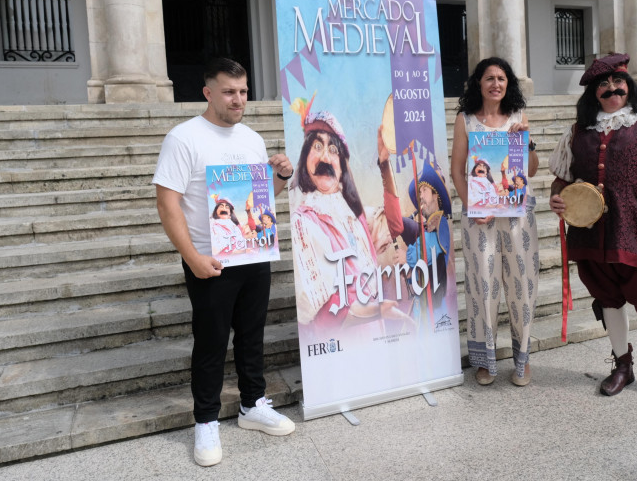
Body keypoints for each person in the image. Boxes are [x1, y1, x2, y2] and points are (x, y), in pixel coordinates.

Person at [152, 58, 295, 468]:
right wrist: (192, 258)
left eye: (244, 91)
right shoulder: (184, 139)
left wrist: (281, 178)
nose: (238, 99)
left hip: (253, 254)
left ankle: (252, 406)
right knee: (211, 343)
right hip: (209, 260)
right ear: (208, 93)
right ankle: (206, 420)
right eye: (229, 91)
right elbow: (167, 204)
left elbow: (259, 204)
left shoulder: (250, 138)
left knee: (252, 336)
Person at [547, 52, 637, 408]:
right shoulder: (578, 132)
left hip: (635, 234)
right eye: (603, 86)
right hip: (589, 237)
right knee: (608, 301)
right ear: (593, 94)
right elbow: (561, 179)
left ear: (630, 86)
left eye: (618, 83)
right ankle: (623, 366)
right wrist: (557, 200)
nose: (612, 90)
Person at [288, 95, 411, 340]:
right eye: (317, 146)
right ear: (305, 158)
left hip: (372, 336)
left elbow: (396, 225)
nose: (325, 158)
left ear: (342, 164)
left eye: (332, 149)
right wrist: (376, 312)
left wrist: (384, 165)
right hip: (340, 347)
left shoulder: (354, 215)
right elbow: (321, 312)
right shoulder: (304, 222)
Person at [451, 56, 540, 387]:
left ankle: (522, 361)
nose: (496, 84)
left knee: (521, 284)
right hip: (481, 219)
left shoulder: (517, 117)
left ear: (508, 84)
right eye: (489, 78)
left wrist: (526, 139)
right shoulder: (465, 120)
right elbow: (457, 170)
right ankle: (486, 361)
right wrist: (474, 206)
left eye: (502, 79)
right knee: (482, 286)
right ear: (479, 83)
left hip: (517, 218)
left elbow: (530, 169)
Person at [377, 126, 453, 321]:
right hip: (421, 312)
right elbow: (397, 223)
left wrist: (406, 256)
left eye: (424, 191)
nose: (420, 197)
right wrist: (385, 166)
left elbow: (427, 251)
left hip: (437, 315)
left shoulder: (442, 223)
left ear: (436, 193)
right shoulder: (422, 227)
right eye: (418, 193)